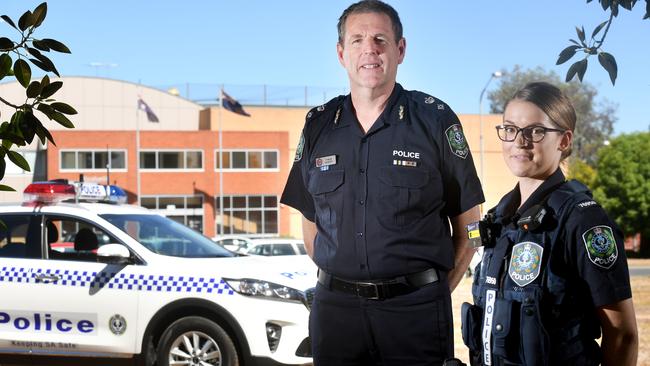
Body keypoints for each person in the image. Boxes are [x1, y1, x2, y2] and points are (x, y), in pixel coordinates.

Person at [281, 1, 484, 365]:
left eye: (380, 39)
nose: (369, 50)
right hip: (335, 314)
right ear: (342, 53)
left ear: (400, 50)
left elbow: (471, 223)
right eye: (357, 40)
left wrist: (437, 289)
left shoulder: (435, 120)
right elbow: (311, 225)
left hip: (415, 314)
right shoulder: (319, 125)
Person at [461, 82, 638, 366]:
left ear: (564, 141)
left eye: (536, 131)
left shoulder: (583, 220)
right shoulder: (496, 219)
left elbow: (622, 334)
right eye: (510, 129)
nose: (519, 141)